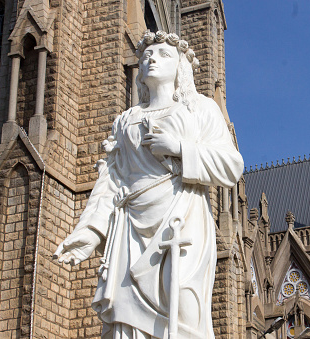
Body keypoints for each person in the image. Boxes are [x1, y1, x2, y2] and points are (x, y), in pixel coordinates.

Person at [53, 30, 244, 339]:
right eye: (146, 56)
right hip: (130, 227)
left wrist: (179, 148)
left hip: (183, 217)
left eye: (163, 55)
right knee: (127, 321)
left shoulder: (200, 109)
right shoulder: (126, 120)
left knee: (183, 303)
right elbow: (112, 180)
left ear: (180, 66)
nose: (152, 59)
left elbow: (231, 167)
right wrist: (89, 232)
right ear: (139, 68)